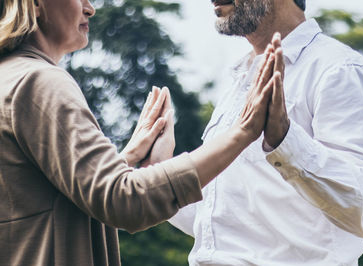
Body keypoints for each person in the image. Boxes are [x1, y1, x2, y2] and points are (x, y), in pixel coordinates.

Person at [0, 0, 280, 265]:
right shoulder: (38, 81)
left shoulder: (8, 78)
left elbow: (41, 205)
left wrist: (126, 159)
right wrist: (243, 132)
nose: (90, 9)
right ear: (35, 3)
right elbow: (123, 200)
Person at [169, 0, 363, 264]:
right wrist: (159, 172)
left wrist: (286, 141)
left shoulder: (338, 70)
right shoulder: (237, 82)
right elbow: (223, 220)